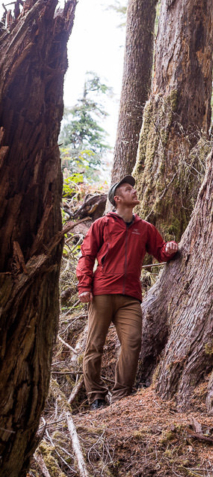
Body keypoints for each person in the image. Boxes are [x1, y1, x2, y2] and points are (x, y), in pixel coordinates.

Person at [76, 175, 179, 409]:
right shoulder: (102, 224)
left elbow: (160, 252)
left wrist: (170, 248)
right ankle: (96, 396)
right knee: (94, 345)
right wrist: (84, 286)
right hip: (102, 293)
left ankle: (122, 396)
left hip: (130, 297)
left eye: (133, 188)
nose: (134, 191)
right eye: (128, 189)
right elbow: (86, 256)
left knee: (132, 342)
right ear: (117, 198)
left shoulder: (145, 228)